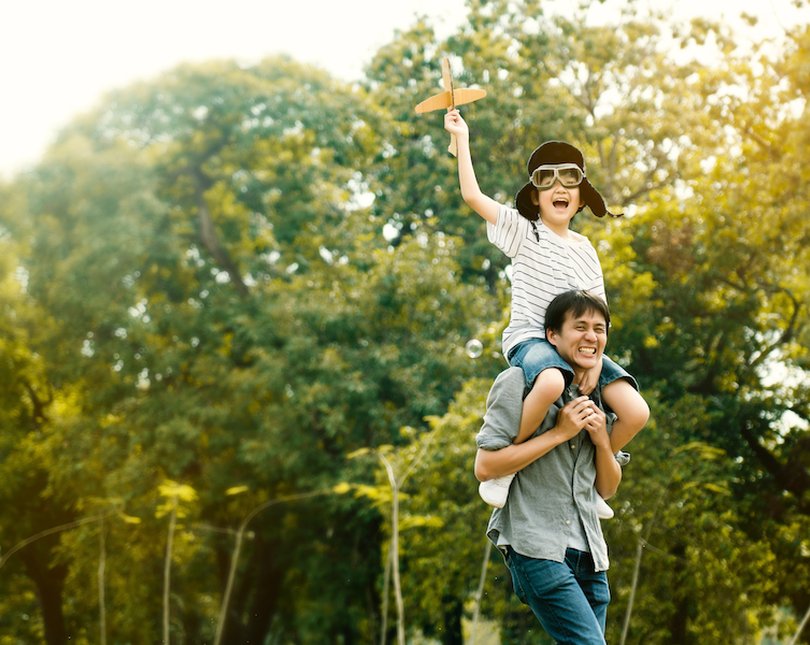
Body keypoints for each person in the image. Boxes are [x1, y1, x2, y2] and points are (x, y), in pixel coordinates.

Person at [444, 109, 649, 511]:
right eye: (546, 181)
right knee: (553, 383)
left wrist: (593, 361)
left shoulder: (585, 248)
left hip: (580, 348)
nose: (558, 188)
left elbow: (598, 315)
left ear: (580, 196)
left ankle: (589, 473)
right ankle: (509, 463)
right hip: (533, 339)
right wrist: (462, 138)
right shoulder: (525, 230)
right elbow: (472, 196)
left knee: (635, 410)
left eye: (569, 181)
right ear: (534, 197)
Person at [475, 289, 623, 643]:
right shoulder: (519, 381)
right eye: (581, 327)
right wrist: (559, 434)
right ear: (552, 335)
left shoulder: (602, 396)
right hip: (536, 547)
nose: (591, 337)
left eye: (600, 329)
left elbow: (607, 488)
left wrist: (603, 439)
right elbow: (485, 466)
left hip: (591, 557)